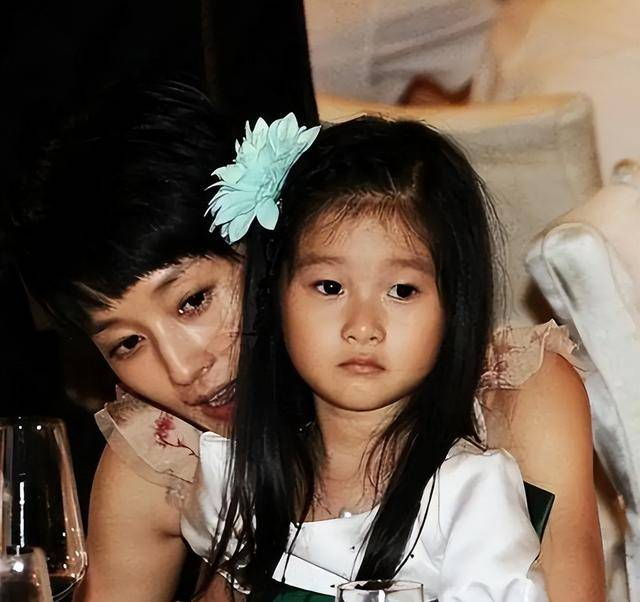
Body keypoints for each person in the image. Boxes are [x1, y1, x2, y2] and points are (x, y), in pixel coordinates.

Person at [181, 115, 559, 599]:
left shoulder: (468, 497)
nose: (362, 327)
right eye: (330, 287)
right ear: (274, 294)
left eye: (401, 291)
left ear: (454, 308)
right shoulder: (240, 479)